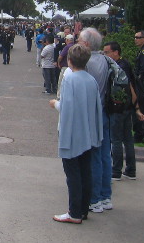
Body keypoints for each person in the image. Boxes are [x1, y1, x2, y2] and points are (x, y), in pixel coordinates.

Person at [49, 44, 102, 223]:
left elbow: (66, 108)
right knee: (85, 171)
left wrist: (55, 103)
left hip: (73, 132)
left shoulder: (69, 79)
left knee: (73, 174)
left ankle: (74, 212)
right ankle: (83, 209)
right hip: (87, 131)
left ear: (69, 60)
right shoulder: (90, 79)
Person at [77, 27, 112, 213]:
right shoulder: (107, 60)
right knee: (105, 155)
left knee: (94, 156)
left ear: (87, 44)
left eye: (80, 41)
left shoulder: (88, 62)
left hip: (92, 113)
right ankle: (106, 195)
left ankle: (95, 198)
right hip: (105, 111)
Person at [103, 41, 144, 181]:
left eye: (107, 52)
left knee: (116, 139)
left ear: (116, 52)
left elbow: (129, 87)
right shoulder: (125, 64)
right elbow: (132, 87)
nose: (105, 55)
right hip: (127, 107)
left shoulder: (118, 68)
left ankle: (116, 171)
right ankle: (131, 170)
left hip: (118, 107)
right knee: (127, 139)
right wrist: (135, 107)